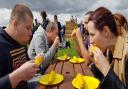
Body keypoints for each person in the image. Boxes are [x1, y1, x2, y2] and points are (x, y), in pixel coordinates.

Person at [0, 4, 39, 89]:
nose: (30, 33)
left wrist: (35, 61)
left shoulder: (21, 42)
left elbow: (26, 64)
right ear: (15, 24)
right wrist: (19, 75)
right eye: (28, 28)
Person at [88, 7, 128, 89]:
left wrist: (106, 69)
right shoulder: (108, 50)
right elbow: (101, 77)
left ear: (106, 31)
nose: (90, 41)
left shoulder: (127, 53)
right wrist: (96, 61)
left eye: (92, 35)